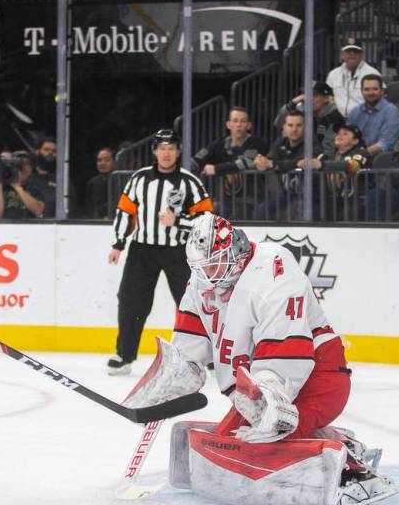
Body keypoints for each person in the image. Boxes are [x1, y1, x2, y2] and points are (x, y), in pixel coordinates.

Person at [128, 213, 399, 505]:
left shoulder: (273, 272)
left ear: (233, 252)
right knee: (227, 444)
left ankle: (354, 472)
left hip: (317, 379)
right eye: (201, 267)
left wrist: (270, 405)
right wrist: (169, 382)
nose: (207, 274)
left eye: (213, 264)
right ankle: (340, 444)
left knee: (259, 444)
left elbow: (287, 354)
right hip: (257, 386)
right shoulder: (203, 279)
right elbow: (190, 348)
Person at [107, 128, 212, 375]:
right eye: (162, 148)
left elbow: (205, 220)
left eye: (171, 148)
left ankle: (207, 356)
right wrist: (118, 243)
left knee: (192, 303)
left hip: (178, 250)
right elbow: (125, 211)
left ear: (178, 152)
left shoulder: (190, 182)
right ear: (155, 151)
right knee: (131, 301)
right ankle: (124, 355)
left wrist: (178, 221)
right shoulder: (140, 179)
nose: (166, 153)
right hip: (142, 249)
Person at [193, 106, 269, 216]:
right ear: (228, 124)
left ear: (249, 125)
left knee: (237, 213)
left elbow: (246, 162)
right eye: (235, 121)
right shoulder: (218, 144)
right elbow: (197, 160)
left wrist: (216, 169)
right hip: (222, 199)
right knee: (200, 212)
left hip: (249, 200)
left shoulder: (257, 143)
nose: (238, 124)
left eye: (243, 121)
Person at [298, 122, 370, 220]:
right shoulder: (327, 154)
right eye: (338, 133)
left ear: (355, 141)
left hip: (356, 200)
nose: (339, 136)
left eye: (345, 134)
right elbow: (315, 168)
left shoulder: (362, 152)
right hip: (330, 199)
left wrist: (322, 165)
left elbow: (353, 166)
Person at [253, 110, 306, 220]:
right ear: (284, 127)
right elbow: (269, 160)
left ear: (305, 127)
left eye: (298, 125)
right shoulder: (280, 142)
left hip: (306, 196)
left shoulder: (312, 145)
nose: (294, 129)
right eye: (290, 125)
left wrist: (273, 164)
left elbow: (299, 162)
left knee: (293, 210)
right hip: (283, 196)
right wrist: (261, 162)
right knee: (261, 210)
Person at [271, 81, 344, 158]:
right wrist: (293, 103)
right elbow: (278, 124)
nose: (309, 99)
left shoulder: (334, 117)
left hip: (319, 160)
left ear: (326, 98)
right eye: (307, 95)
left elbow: (329, 149)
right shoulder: (302, 109)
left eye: (314, 95)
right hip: (297, 154)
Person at [346, 74, 399, 156]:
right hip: (357, 158)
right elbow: (347, 138)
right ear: (361, 91)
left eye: (375, 89)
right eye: (366, 89)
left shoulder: (391, 111)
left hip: (382, 160)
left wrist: (361, 154)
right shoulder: (355, 112)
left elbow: (386, 143)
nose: (370, 93)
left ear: (382, 91)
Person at [0, 150, 47, 219]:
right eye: (19, 164)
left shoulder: (35, 186)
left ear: (31, 168)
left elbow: (38, 211)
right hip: (2, 228)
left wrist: (17, 186)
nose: (22, 167)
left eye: (26, 163)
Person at [325, 37, 380, 117]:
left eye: (356, 51)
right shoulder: (333, 74)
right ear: (342, 55)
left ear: (362, 54)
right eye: (348, 51)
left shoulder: (373, 73)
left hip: (364, 119)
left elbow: (379, 101)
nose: (352, 53)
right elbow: (328, 98)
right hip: (337, 121)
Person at [78, 146, 114, 219]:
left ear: (114, 161)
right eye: (99, 160)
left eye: (107, 160)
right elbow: (89, 208)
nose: (102, 163)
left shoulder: (121, 180)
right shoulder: (92, 183)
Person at [27, 136, 57, 216]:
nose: (50, 153)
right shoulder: (27, 178)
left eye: (54, 151)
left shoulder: (62, 180)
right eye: (46, 150)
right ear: (37, 151)